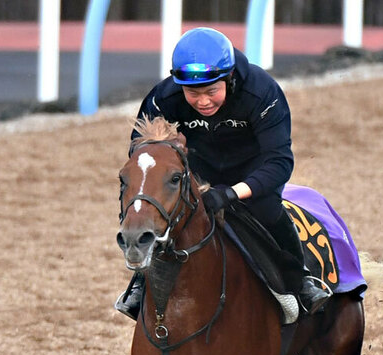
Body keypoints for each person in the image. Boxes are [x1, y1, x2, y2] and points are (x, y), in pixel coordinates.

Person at [115, 27, 329, 320]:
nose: (203, 102)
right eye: (192, 93)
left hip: (253, 172)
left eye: (212, 91)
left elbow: (279, 163)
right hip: (197, 172)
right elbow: (142, 157)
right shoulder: (163, 98)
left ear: (228, 79)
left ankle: (301, 280)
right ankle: (140, 283)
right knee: (167, 215)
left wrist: (230, 194)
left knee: (266, 210)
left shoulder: (262, 91)